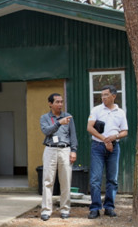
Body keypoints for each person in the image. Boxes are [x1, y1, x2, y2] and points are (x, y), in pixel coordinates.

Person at [87, 85, 128, 219]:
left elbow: (124, 131)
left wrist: (114, 137)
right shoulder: (96, 109)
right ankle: (95, 208)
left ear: (114, 96)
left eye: (106, 94)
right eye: (102, 94)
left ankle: (109, 207)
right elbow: (90, 128)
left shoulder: (120, 112)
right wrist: (105, 139)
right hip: (97, 147)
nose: (103, 97)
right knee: (95, 179)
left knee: (112, 179)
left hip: (114, 147)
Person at [40, 93, 78, 221]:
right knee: (47, 181)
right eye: (57, 102)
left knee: (66, 181)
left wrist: (73, 151)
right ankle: (46, 210)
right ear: (50, 104)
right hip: (50, 149)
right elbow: (46, 131)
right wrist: (59, 123)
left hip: (65, 150)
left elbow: (73, 135)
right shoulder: (44, 117)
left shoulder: (68, 117)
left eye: (61, 102)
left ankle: (65, 209)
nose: (60, 104)